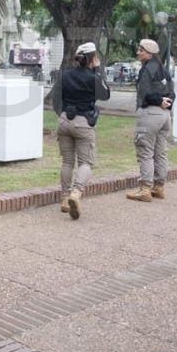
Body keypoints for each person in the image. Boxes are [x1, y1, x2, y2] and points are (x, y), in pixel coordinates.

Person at [51, 42, 111, 220]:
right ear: (93, 59)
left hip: (64, 121)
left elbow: (55, 98)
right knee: (86, 162)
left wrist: (62, 114)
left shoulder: (65, 74)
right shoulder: (94, 77)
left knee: (67, 162)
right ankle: (76, 194)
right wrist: (99, 71)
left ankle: (64, 198)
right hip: (84, 122)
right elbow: (105, 94)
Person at [128, 38, 175, 202]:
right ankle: (159, 186)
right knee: (160, 152)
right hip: (165, 116)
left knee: (145, 152)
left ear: (149, 52)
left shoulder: (147, 69)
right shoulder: (163, 69)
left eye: (141, 50)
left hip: (150, 114)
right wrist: (166, 102)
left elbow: (145, 93)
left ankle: (145, 188)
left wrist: (157, 100)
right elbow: (172, 93)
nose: (138, 52)